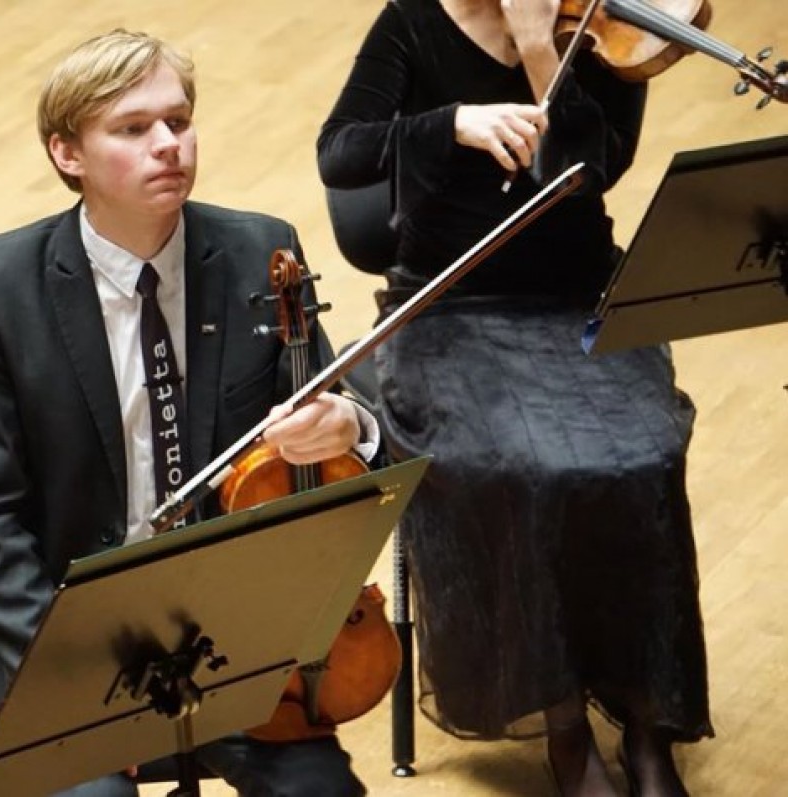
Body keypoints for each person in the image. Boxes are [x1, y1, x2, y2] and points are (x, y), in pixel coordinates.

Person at [0, 28, 383, 797]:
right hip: (53, 646)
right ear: (67, 153)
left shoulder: (259, 251)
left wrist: (349, 426)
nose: (168, 144)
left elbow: (339, 417)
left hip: (222, 644)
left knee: (321, 791)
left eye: (178, 121)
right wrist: (93, 693)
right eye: (134, 128)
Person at [317, 1, 711, 795]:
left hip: (575, 303)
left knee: (646, 455)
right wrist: (451, 123)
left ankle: (647, 724)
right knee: (512, 468)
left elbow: (594, 169)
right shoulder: (413, 23)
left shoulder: (598, 30)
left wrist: (538, 50)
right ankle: (564, 727)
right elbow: (341, 151)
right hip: (448, 308)